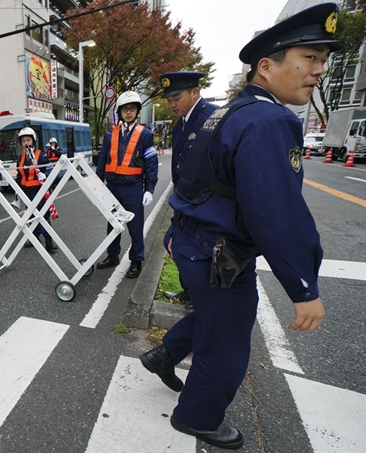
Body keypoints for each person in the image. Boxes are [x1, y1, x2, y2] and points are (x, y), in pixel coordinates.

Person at [140, 4, 341, 449]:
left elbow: (190, 184)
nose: (318, 71)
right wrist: (303, 285)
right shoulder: (270, 120)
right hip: (222, 256)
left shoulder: (224, 115)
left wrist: (175, 232)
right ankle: (198, 417)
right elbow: (277, 212)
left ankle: (164, 353)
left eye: (322, 61)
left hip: (195, 245)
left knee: (213, 316)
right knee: (226, 340)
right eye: (309, 58)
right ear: (266, 66)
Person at [159, 71, 219, 306]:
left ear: (195, 92)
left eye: (177, 98)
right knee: (175, 244)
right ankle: (189, 293)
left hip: (205, 202)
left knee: (197, 253)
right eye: (169, 100)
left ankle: (198, 300)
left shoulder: (213, 118)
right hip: (184, 200)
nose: (172, 104)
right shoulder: (180, 125)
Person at [95, 91, 158, 279]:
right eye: (125, 109)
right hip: (113, 186)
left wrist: (150, 189)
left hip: (133, 187)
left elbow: (151, 163)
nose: (128, 112)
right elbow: (102, 161)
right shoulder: (109, 135)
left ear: (137, 111)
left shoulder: (145, 134)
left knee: (135, 226)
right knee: (112, 224)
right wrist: (97, 185)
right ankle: (113, 255)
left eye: (132, 109)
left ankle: (136, 259)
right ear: (120, 112)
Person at [16, 127, 57, 253]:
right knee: (30, 216)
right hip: (27, 192)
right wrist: (17, 191)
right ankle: (34, 237)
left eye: (28, 140)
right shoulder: (20, 158)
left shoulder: (42, 155)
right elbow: (19, 175)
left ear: (33, 141)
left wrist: (46, 176)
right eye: (23, 141)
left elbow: (52, 171)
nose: (26, 143)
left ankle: (48, 241)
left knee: (43, 215)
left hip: (40, 190)